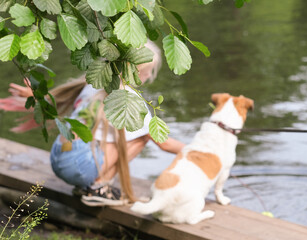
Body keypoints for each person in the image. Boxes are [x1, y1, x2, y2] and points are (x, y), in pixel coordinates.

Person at [0, 40, 185, 206]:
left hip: (58, 157)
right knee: (142, 138)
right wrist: (201, 150)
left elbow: (57, 101)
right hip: (79, 165)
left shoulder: (93, 83)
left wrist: (35, 96)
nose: (147, 77)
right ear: (137, 72)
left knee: (108, 137)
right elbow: (165, 143)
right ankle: (98, 188)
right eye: (147, 73)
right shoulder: (130, 99)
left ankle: (87, 186)